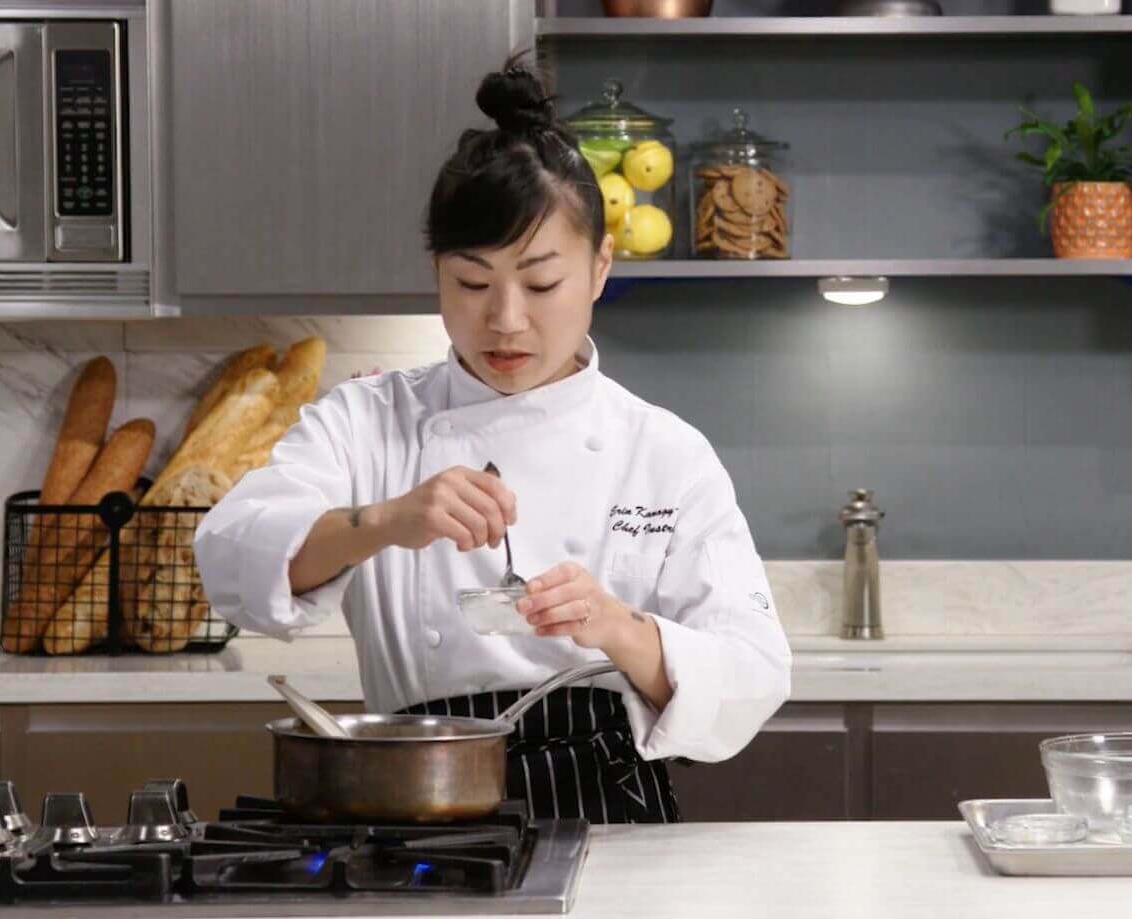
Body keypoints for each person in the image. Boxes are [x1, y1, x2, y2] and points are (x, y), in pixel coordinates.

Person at [193, 58, 791, 824]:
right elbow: (227, 554)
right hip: (418, 800)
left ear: (600, 268)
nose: (506, 320)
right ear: (437, 273)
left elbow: (752, 673)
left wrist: (615, 625)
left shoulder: (662, 451)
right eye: (472, 284)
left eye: (541, 284)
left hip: (608, 812)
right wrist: (383, 521)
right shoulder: (367, 421)